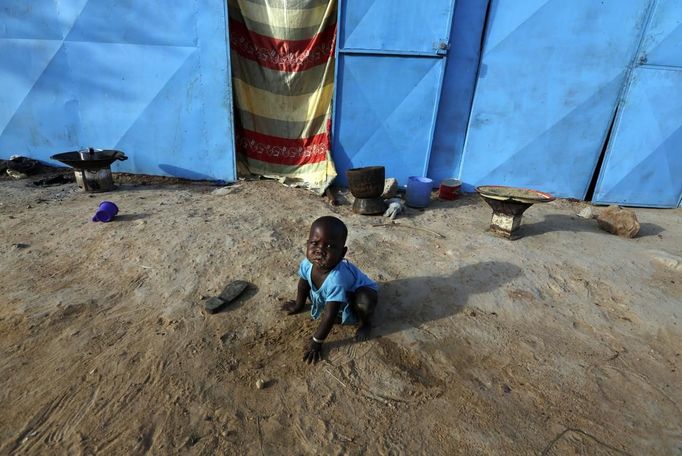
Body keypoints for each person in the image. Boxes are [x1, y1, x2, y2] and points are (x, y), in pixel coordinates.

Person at [282, 216, 378, 364]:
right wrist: (298, 304)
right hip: (342, 294)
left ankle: (366, 323)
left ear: (342, 253)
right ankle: (344, 308)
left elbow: (330, 314)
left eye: (330, 246)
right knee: (313, 287)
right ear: (307, 243)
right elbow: (303, 283)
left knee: (364, 301)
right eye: (314, 243)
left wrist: (316, 342)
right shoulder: (308, 263)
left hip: (359, 293)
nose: (319, 250)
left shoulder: (337, 279)